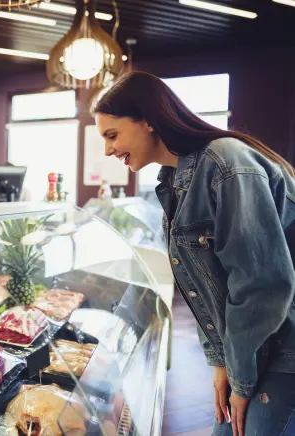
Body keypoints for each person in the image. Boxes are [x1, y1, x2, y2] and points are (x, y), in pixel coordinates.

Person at [92, 71, 295, 436]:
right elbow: (204, 287)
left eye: (112, 135)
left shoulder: (224, 163)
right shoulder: (173, 180)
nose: (108, 150)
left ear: (148, 121)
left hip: (283, 348)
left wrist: (242, 380)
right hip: (253, 350)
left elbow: (260, 286)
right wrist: (222, 363)